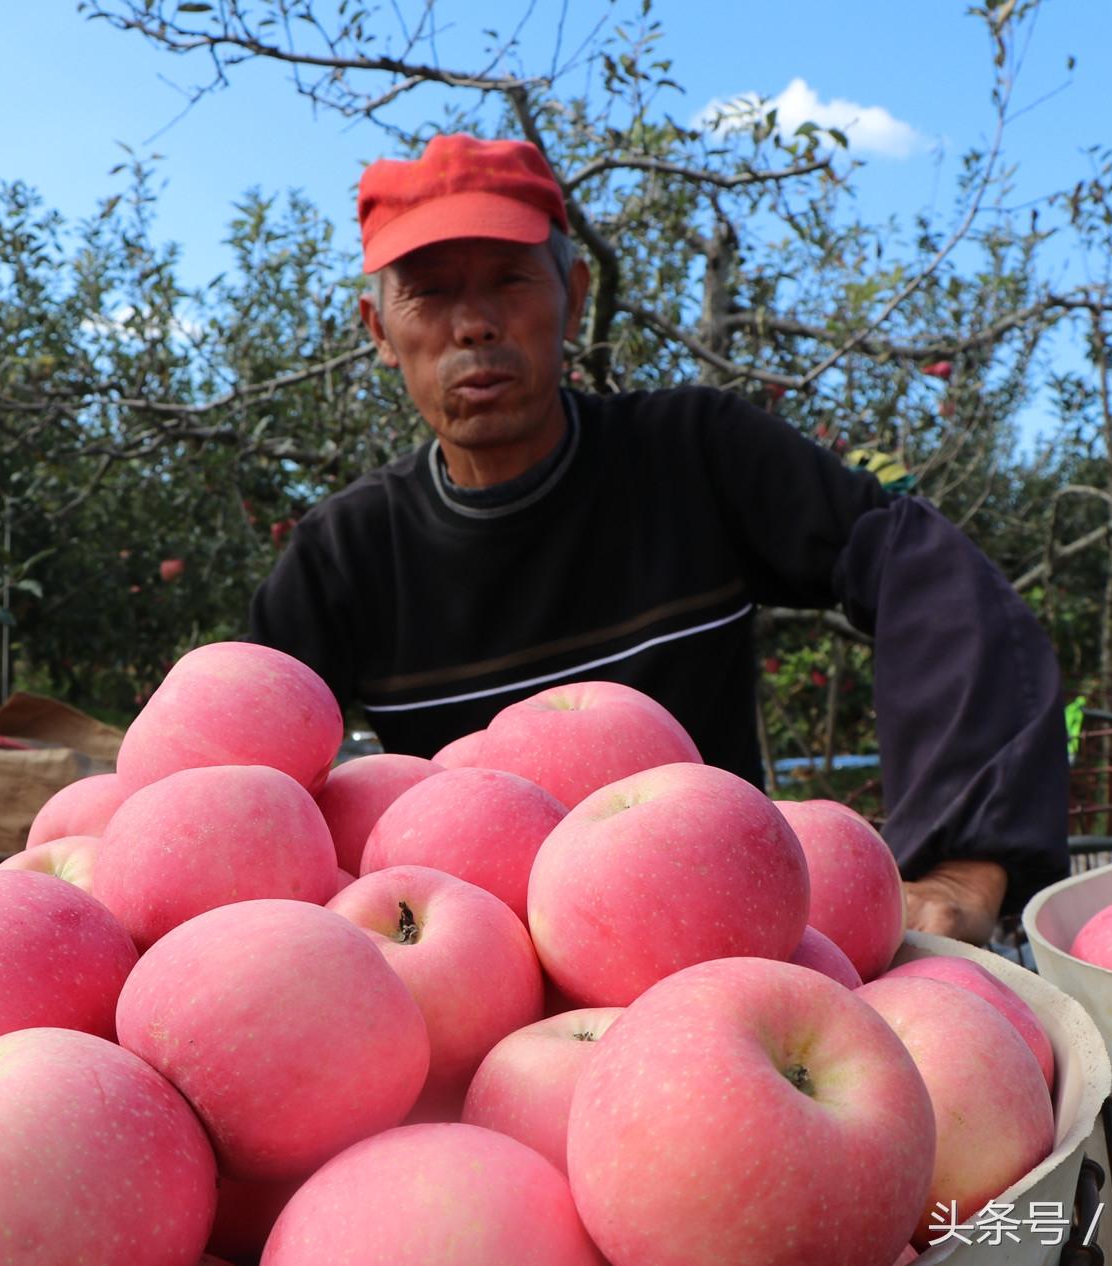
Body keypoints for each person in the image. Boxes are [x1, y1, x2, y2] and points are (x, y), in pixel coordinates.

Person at [248, 133, 1068, 943]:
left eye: (510, 280)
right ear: (379, 329)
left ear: (571, 291)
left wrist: (967, 864)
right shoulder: (344, 556)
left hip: (732, 949)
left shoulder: (696, 455)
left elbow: (928, 576)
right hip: (472, 995)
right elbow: (235, 771)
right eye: (428, 292)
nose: (473, 326)